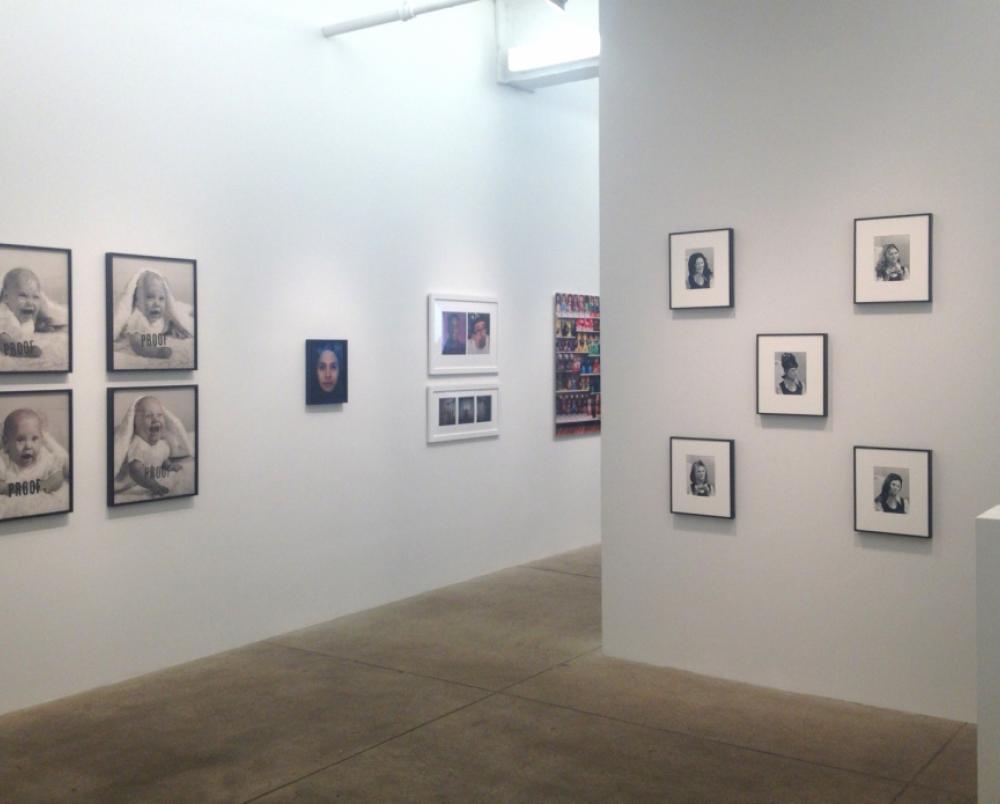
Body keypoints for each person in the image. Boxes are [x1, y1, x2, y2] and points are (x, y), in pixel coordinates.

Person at [112, 395, 194, 499]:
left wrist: (168, 465)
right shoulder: (138, 445)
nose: (155, 419)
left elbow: (162, 457)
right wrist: (153, 486)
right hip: (130, 482)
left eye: (159, 415)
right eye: (148, 416)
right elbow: (135, 470)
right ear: (136, 424)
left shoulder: (162, 443)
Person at [111, 269, 193, 360]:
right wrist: (156, 352)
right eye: (150, 297)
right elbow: (137, 344)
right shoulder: (138, 318)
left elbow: (168, 323)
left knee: (182, 309)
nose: (156, 303)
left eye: (161, 298)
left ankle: (190, 310)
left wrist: (175, 327)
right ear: (138, 301)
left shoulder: (162, 317)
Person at [0, 268, 68, 359]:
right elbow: (2, 339)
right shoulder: (5, 315)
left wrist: (41, 325)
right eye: (23, 295)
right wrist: (22, 350)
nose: (30, 302)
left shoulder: (25, 313)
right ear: (6, 297)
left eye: (35, 297)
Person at [0, 409, 68, 498]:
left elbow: (58, 476)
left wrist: (45, 484)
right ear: (6, 442)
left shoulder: (44, 456)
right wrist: (6, 488)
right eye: (20, 439)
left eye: (34, 438)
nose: (28, 446)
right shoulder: (3, 459)